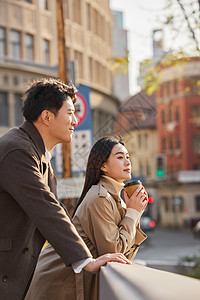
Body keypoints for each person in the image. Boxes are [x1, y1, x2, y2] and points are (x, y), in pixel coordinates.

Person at [0, 79, 131, 300]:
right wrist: (85, 260)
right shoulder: (18, 150)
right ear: (47, 117)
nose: (74, 121)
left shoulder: (36, 151)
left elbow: (54, 206)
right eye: (69, 113)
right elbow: (46, 207)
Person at [26, 136, 148, 300]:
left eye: (128, 157)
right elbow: (113, 251)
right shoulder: (100, 198)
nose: (127, 162)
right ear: (103, 165)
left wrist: (134, 212)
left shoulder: (114, 199)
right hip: (56, 283)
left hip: (69, 283)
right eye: (120, 157)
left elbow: (123, 257)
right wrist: (133, 213)